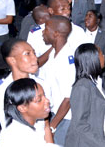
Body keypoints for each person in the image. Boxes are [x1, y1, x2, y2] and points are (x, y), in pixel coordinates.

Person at [0, 39, 51, 147]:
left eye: (34, 53)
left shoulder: (42, 85)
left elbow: (46, 126)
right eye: (27, 54)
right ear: (12, 60)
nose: (35, 58)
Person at [65, 43, 105, 146]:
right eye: (101, 54)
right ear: (93, 59)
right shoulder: (82, 87)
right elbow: (79, 125)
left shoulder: (95, 83)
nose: (104, 57)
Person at [40, 16, 75, 145]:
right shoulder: (53, 54)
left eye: (45, 29)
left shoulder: (66, 60)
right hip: (56, 114)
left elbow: (68, 98)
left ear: (56, 34)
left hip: (65, 119)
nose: (43, 32)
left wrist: (52, 126)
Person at [0, 78, 56, 147]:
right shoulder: (19, 136)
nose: (47, 100)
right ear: (22, 108)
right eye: (39, 100)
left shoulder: (30, 128)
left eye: (44, 95)